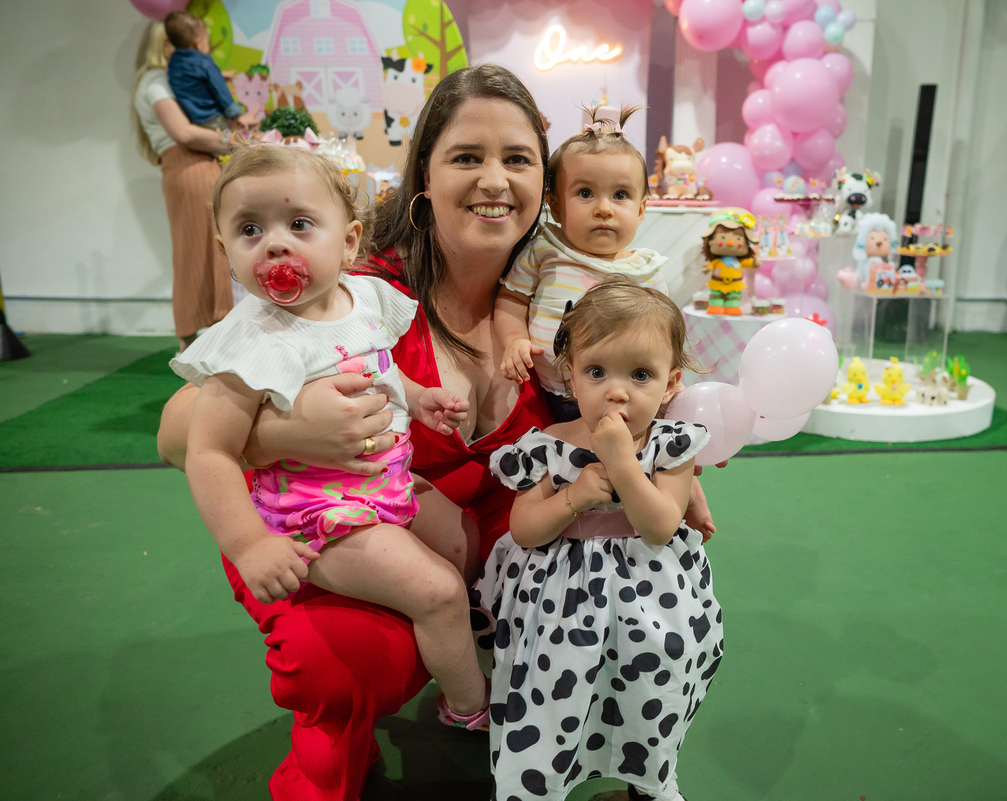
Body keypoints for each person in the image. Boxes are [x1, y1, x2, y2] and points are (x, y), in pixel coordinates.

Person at [158, 63, 716, 800]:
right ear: (423, 173)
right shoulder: (354, 289)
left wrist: (682, 468)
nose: (494, 179)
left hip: (461, 521)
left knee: (610, 593)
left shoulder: (566, 298)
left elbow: (635, 389)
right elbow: (177, 432)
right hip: (335, 519)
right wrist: (288, 431)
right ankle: (337, 742)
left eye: (516, 159)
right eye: (466, 157)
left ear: (544, 186)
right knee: (348, 659)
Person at [170, 144, 489, 728]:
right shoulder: (250, 341)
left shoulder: (362, 297)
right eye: (249, 229)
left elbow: (381, 369)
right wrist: (249, 546)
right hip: (319, 513)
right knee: (440, 590)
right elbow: (208, 451)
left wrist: (419, 399)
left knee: (463, 542)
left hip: (388, 480)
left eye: (298, 224)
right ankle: (471, 708)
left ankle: (447, 638)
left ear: (347, 242)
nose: (275, 244)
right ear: (225, 251)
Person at [479, 275, 723, 801]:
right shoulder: (547, 444)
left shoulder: (672, 445)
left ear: (671, 382)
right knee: (551, 702)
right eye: (597, 371)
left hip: (650, 604)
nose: (617, 391)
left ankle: (647, 783)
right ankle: (535, 787)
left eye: (640, 374)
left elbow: (659, 526)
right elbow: (523, 529)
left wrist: (619, 459)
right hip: (560, 607)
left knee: (646, 692)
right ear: (570, 376)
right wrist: (573, 499)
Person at [495, 105, 666, 420]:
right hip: (549, 397)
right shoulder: (545, 250)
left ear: (641, 211)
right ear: (556, 207)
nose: (604, 208)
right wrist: (514, 339)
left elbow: (665, 335)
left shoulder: (646, 271)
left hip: (622, 400)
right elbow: (510, 299)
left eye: (620, 195)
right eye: (585, 193)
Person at [131, 19, 234, 353]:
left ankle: (199, 338)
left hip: (193, 166)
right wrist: (237, 142)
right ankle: (197, 339)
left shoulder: (166, 81)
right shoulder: (155, 81)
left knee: (203, 249)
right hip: (190, 166)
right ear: (166, 46)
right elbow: (186, 134)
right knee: (204, 251)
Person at [163, 10, 250, 131]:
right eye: (207, 41)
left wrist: (220, 75)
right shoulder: (204, 63)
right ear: (198, 43)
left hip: (192, 118)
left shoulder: (173, 62)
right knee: (231, 143)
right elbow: (221, 90)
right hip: (214, 116)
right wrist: (236, 114)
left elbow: (193, 79)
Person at [701, 208, 759, 315]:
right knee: (715, 295)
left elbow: (748, 262)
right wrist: (707, 267)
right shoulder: (717, 261)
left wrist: (754, 263)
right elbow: (711, 265)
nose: (731, 243)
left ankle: (732, 307)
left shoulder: (739, 261)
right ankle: (715, 305)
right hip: (717, 282)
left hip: (735, 284)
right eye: (723, 237)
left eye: (738, 239)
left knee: (734, 296)